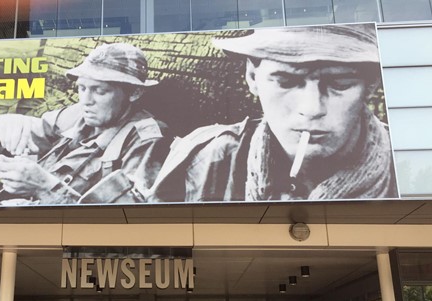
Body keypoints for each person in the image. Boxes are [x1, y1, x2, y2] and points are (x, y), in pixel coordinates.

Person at [149, 23, 399, 203]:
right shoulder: (204, 158)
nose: (311, 109)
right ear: (252, 77)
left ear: (372, 86)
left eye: (340, 84)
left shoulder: (408, 166)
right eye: (286, 82)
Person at [0, 43, 169, 205]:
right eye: (82, 88)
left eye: (100, 91)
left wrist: (44, 187)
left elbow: (128, 223)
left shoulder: (147, 139)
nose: (86, 100)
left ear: (134, 92)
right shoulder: (79, 115)